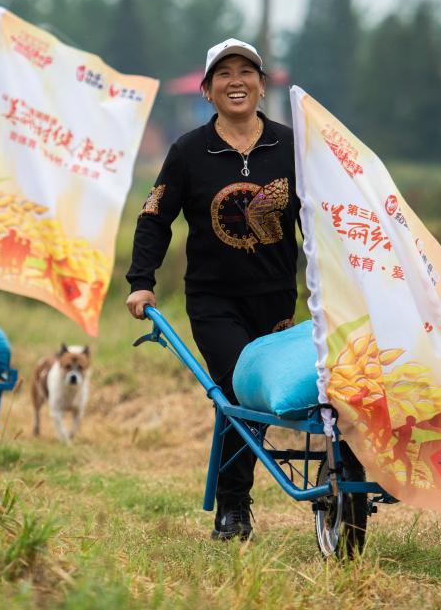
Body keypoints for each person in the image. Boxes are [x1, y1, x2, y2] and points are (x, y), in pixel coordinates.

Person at [125, 39, 300, 541]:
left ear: (263, 85)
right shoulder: (188, 152)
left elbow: (320, 218)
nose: (236, 80)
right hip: (213, 301)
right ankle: (233, 507)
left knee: (263, 401)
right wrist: (141, 282)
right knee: (239, 391)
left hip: (275, 298)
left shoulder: (291, 145)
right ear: (207, 90)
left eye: (247, 71)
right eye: (224, 74)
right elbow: (155, 219)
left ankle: (313, 485)